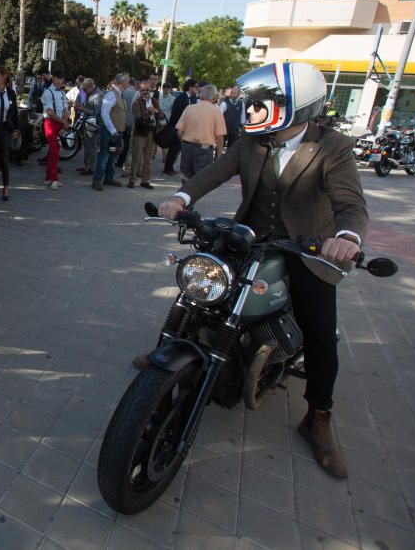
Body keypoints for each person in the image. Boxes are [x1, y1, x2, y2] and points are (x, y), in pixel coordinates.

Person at [146, 61, 368, 480]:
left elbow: (351, 204)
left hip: (307, 248)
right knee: (201, 288)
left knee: (321, 332)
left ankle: (318, 417)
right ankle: (170, 349)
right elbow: (216, 170)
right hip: (251, 235)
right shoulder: (252, 141)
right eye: (250, 102)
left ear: (296, 107)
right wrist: (180, 197)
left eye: (260, 102)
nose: (249, 109)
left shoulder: (331, 146)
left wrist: (348, 239)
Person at [176, 83, 227, 180]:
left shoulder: (189, 108)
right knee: (200, 181)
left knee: (186, 179)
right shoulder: (216, 112)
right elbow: (220, 137)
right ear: (215, 96)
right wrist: (218, 155)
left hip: (187, 147)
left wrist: (185, 143)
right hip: (204, 149)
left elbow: (179, 132)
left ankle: (185, 194)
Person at [92, 73, 129, 191]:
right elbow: (104, 113)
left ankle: (109, 178)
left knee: (112, 155)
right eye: (127, 81)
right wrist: (113, 131)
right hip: (109, 132)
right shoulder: (112, 94)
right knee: (104, 155)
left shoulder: (119, 94)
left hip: (115, 132)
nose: (128, 83)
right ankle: (97, 181)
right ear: (122, 82)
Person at [0, 65, 20, 201]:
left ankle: (6, 187)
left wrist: (16, 129)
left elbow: (14, 114)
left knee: (4, 159)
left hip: (5, 128)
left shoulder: (11, 93)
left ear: (4, 77)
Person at [157, 78, 198, 176]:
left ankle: (171, 167)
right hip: (177, 127)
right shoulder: (180, 98)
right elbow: (176, 114)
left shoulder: (193, 98)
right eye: (195, 87)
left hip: (187, 128)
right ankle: (168, 168)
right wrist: (179, 126)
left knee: (177, 149)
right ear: (190, 87)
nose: (197, 89)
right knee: (174, 148)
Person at [41, 69, 69, 190]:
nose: (59, 81)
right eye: (57, 78)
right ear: (53, 78)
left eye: (61, 79)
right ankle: (54, 180)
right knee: (54, 151)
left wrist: (64, 123)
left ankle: (48, 178)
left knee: (54, 151)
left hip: (59, 123)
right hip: (50, 124)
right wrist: (63, 121)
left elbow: (66, 110)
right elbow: (50, 112)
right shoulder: (47, 93)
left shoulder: (62, 93)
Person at [128, 82, 159, 189]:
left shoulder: (154, 101)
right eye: (143, 90)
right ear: (139, 91)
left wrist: (157, 111)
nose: (145, 92)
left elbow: (161, 114)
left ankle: (145, 180)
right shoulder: (137, 103)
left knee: (148, 159)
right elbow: (138, 118)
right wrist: (149, 112)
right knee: (136, 158)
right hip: (140, 133)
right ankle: (132, 180)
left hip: (151, 132)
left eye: (147, 90)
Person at [75, 78, 103, 176]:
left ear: (91, 87)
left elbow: (97, 112)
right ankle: (86, 165)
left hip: (93, 125)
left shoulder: (98, 95)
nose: (85, 92)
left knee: (91, 147)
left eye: (86, 90)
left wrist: (84, 109)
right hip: (88, 123)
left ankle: (92, 168)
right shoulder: (91, 93)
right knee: (87, 146)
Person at [117, 78, 139, 172]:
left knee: (120, 142)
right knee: (127, 144)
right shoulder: (136, 94)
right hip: (131, 122)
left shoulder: (123, 92)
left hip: (122, 120)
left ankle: (118, 160)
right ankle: (122, 162)